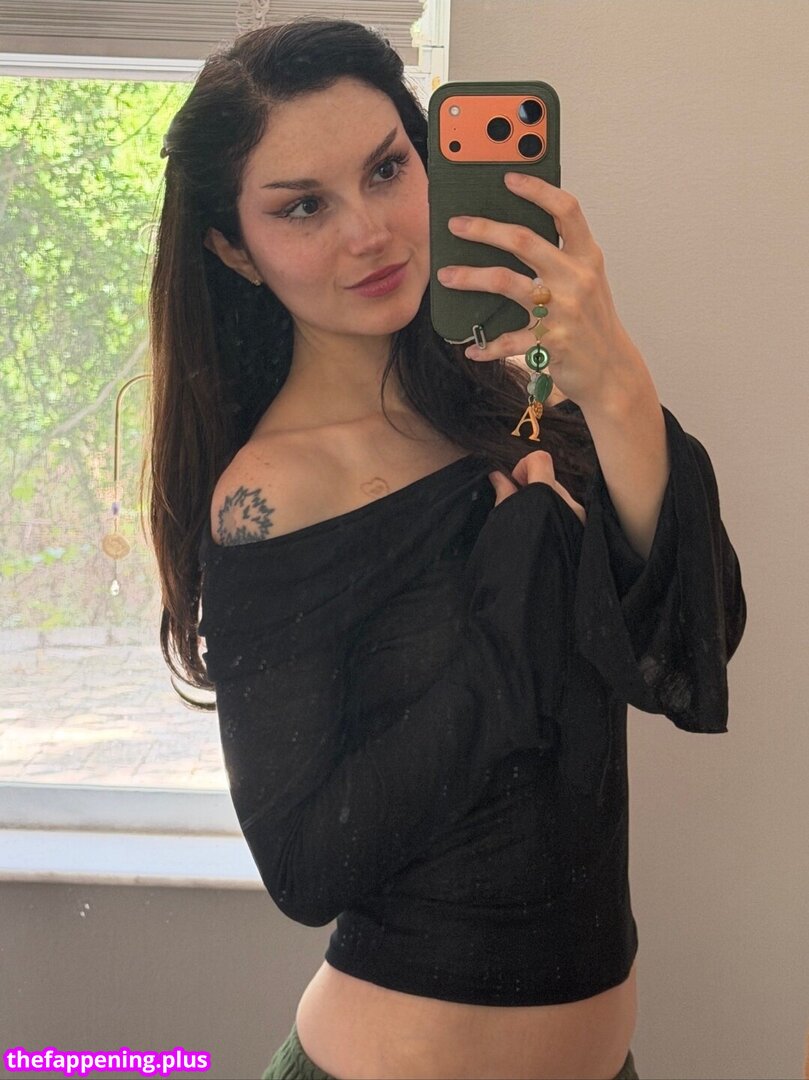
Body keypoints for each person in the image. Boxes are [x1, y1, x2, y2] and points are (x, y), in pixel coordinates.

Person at [145, 17, 746, 1080]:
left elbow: (689, 644)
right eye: (302, 207)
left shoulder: (517, 414)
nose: (370, 233)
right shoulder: (271, 495)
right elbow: (306, 863)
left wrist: (612, 377)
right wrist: (502, 642)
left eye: (386, 169)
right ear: (234, 249)